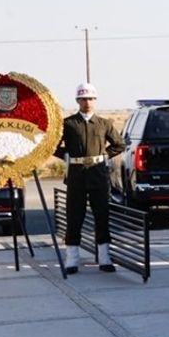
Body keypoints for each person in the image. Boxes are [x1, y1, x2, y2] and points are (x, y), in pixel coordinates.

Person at [54, 83, 125, 274]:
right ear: (77, 100)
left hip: (98, 175)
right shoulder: (68, 124)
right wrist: (65, 156)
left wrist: (104, 156)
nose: (87, 102)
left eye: (91, 98)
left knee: (102, 215)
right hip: (76, 176)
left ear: (95, 100)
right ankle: (72, 259)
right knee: (74, 216)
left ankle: (104, 258)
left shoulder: (104, 124)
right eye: (84, 98)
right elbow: (52, 146)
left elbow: (119, 144)